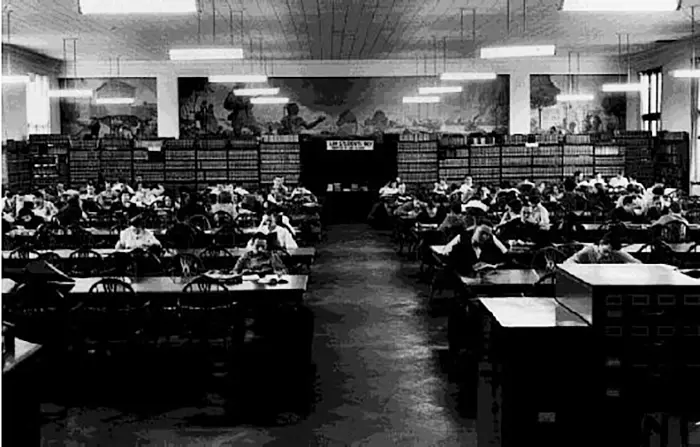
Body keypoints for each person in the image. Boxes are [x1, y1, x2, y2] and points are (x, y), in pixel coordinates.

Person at [443, 224, 510, 275]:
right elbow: (446, 251)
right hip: (464, 274)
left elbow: (506, 254)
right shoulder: (462, 238)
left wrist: (491, 266)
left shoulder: (490, 242)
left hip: (485, 276)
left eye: (487, 235)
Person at [564, 233, 641, 264]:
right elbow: (568, 263)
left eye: (611, 252)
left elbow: (636, 263)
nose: (608, 255)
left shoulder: (616, 251)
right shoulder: (588, 251)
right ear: (601, 243)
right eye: (606, 251)